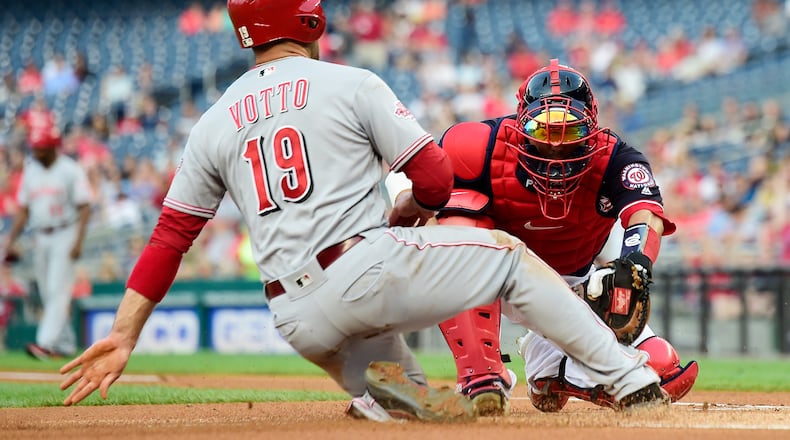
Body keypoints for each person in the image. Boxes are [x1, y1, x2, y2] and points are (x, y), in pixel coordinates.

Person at [58, 1, 669, 421]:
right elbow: (433, 177)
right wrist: (417, 208)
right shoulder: (349, 83)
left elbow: (172, 236)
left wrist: (122, 333)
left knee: (426, 411)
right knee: (508, 257)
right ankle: (627, 377)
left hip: (296, 317)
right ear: (306, 17)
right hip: (364, 270)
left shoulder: (214, 119)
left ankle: (384, 396)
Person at [432, 59, 699, 414]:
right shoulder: (478, 147)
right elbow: (437, 223)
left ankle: (551, 370)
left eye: (570, 131)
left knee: (663, 367)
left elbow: (645, 215)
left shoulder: (616, 157)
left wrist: (636, 265)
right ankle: (481, 375)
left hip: (579, 283)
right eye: (543, 130)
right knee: (457, 227)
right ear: (521, 121)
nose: (556, 145)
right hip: (501, 277)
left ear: (590, 126)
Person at [3, 125, 92, 360]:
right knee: (47, 293)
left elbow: (84, 206)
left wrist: (78, 241)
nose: (37, 152)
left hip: (66, 231)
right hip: (40, 235)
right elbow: (23, 209)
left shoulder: (70, 170)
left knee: (57, 289)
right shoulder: (31, 172)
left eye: (42, 148)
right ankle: (64, 344)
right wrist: (10, 239)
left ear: (53, 147)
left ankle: (45, 342)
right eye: (35, 148)